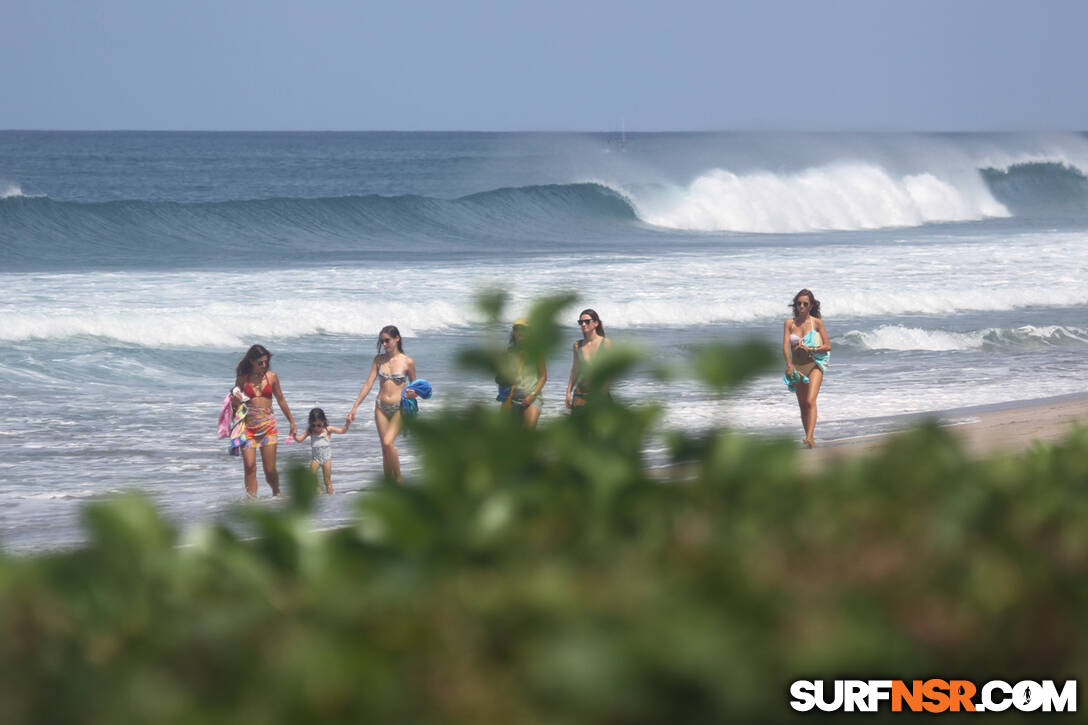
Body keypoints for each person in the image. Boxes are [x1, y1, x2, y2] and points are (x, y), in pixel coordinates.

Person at [347, 325, 418, 483]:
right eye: (382, 342)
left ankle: (399, 480)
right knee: (385, 449)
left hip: (400, 408)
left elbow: (416, 387)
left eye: (387, 340)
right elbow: (368, 384)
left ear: (397, 339)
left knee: (388, 442)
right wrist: (355, 407)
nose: (384, 344)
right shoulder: (378, 360)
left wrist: (415, 394)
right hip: (381, 407)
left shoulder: (408, 362)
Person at [231, 344, 297, 497]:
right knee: (249, 466)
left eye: (266, 362)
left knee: (269, 469)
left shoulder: (271, 376)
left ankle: (276, 493)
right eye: (260, 362)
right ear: (251, 361)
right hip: (248, 427)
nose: (264, 365)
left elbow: (281, 400)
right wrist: (236, 399)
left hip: (268, 427)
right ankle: (252, 501)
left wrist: (292, 422)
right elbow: (235, 404)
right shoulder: (242, 378)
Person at [782, 289, 831, 448]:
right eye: (799, 303)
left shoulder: (816, 323)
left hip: (814, 364)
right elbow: (785, 347)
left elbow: (828, 346)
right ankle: (810, 439)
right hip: (797, 366)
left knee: (810, 401)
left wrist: (812, 349)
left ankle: (809, 436)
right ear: (795, 305)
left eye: (805, 304)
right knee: (803, 404)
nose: (801, 306)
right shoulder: (790, 323)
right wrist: (789, 364)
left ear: (810, 306)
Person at [497, 318, 547, 428]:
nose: (520, 332)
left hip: (532, 398)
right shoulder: (507, 353)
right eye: (517, 329)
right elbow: (499, 378)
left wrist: (532, 395)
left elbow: (543, 376)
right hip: (511, 398)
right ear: (513, 333)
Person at [293, 407, 350, 495]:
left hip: (326, 458)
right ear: (310, 423)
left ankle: (331, 497)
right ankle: (319, 494)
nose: (316, 428)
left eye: (319, 425)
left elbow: (343, 431)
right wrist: (294, 435)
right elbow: (300, 439)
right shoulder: (310, 431)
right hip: (316, 458)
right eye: (313, 425)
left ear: (323, 421)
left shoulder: (328, 429)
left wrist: (348, 423)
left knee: (327, 481)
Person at [566, 308, 612, 408]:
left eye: (587, 321)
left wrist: (604, 392)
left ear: (596, 323)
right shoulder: (577, 345)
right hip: (580, 394)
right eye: (580, 322)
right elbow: (575, 370)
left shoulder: (606, 343)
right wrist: (568, 392)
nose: (583, 324)